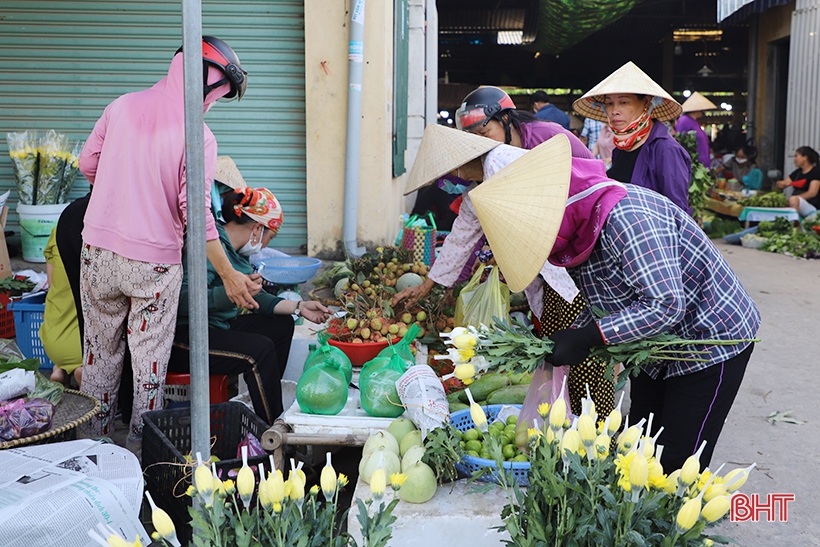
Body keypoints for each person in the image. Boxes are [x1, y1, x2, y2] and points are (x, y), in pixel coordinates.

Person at [471, 135, 761, 471]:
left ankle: (676, 517)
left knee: (677, 461)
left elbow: (665, 304)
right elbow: (598, 294)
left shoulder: (627, 219)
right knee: (640, 443)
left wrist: (590, 337)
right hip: (655, 345)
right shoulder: (577, 231)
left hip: (709, 339)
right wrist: (572, 334)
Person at [77, 36, 260, 446]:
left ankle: (92, 452)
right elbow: (196, 215)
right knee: (148, 370)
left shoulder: (121, 106)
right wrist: (229, 274)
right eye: (219, 95)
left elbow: (88, 163)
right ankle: (143, 457)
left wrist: (118, 195)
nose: (213, 106)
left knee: (99, 359)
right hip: (154, 266)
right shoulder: (199, 137)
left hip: (98, 255)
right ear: (206, 82)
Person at [397, 125, 613, 418]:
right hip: (547, 278)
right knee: (557, 356)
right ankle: (564, 427)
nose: (450, 180)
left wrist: (504, 251)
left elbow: (542, 211)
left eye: (448, 172)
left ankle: (597, 434)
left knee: (584, 359)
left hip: (569, 269)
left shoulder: (502, 160)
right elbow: (460, 238)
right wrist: (429, 285)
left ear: (459, 162)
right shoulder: (477, 190)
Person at [173, 157, 331, 423]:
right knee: (259, 351)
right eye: (270, 236)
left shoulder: (237, 256)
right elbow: (180, 300)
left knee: (280, 326)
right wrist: (231, 294)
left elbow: (260, 299)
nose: (267, 243)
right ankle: (271, 429)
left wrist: (299, 306)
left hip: (217, 329)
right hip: (185, 338)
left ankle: (264, 403)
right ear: (258, 229)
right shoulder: (211, 246)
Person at [573, 61, 693, 214]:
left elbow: (678, 215)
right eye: (609, 103)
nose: (614, 110)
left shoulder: (666, 150)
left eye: (624, 102)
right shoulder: (621, 148)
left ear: (646, 102)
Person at [42, 228, 82, 387]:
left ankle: (60, 369)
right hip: (83, 347)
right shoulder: (102, 236)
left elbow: (51, 283)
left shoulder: (57, 231)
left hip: (52, 339)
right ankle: (81, 369)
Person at [775, 146, 820, 217]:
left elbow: (812, 193)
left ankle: (798, 223)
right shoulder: (797, 173)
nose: (794, 159)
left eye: (796, 156)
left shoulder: (816, 172)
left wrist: (795, 198)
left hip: (812, 207)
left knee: (792, 200)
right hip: (797, 202)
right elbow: (785, 182)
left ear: (805, 158)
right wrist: (780, 184)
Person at [676, 92, 716, 167]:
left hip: (702, 165)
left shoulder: (696, 122)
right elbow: (680, 143)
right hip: (693, 166)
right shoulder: (684, 120)